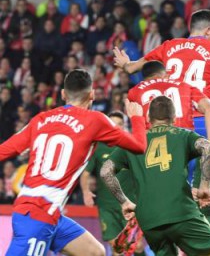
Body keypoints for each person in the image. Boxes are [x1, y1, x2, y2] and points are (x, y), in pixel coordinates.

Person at [0, 69, 147, 256]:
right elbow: (140, 146)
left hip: (46, 212)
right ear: (92, 95)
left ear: (63, 94)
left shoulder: (40, 119)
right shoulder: (95, 120)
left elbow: (3, 151)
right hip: (37, 217)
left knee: (95, 252)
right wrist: (137, 117)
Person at [113, 9, 210, 179]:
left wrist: (125, 63)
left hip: (177, 121)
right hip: (204, 117)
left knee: (187, 178)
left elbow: (132, 68)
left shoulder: (168, 46)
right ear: (208, 30)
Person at [100, 96, 210, 256]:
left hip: (149, 221)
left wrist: (124, 202)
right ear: (174, 118)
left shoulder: (132, 142)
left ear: (148, 118)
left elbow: (105, 171)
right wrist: (204, 186)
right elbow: (208, 148)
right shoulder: (183, 135)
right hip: (181, 213)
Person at [79, 111, 145, 255]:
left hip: (132, 204)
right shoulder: (98, 147)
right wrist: (86, 192)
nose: (117, 127)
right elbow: (85, 173)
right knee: (117, 246)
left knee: (137, 246)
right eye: (113, 124)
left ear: (125, 126)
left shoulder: (133, 146)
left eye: (120, 124)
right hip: (107, 207)